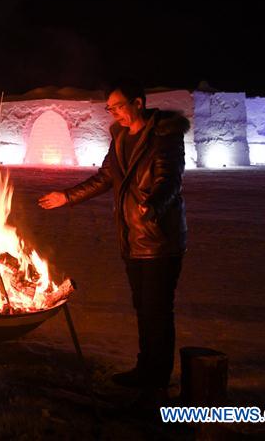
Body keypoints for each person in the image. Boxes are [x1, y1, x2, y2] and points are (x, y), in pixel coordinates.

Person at [38, 79, 189, 413]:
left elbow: (169, 178)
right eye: (110, 108)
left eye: (119, 106)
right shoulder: (120, 138)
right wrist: (67, 197)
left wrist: (154, 206)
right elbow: (106, 177)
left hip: (159, 240)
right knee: (143, 309)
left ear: (138, 102)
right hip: (132, 239)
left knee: (157, 313)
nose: (115, 113)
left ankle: (156, 386)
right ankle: (144, 369)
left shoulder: (164, 135)